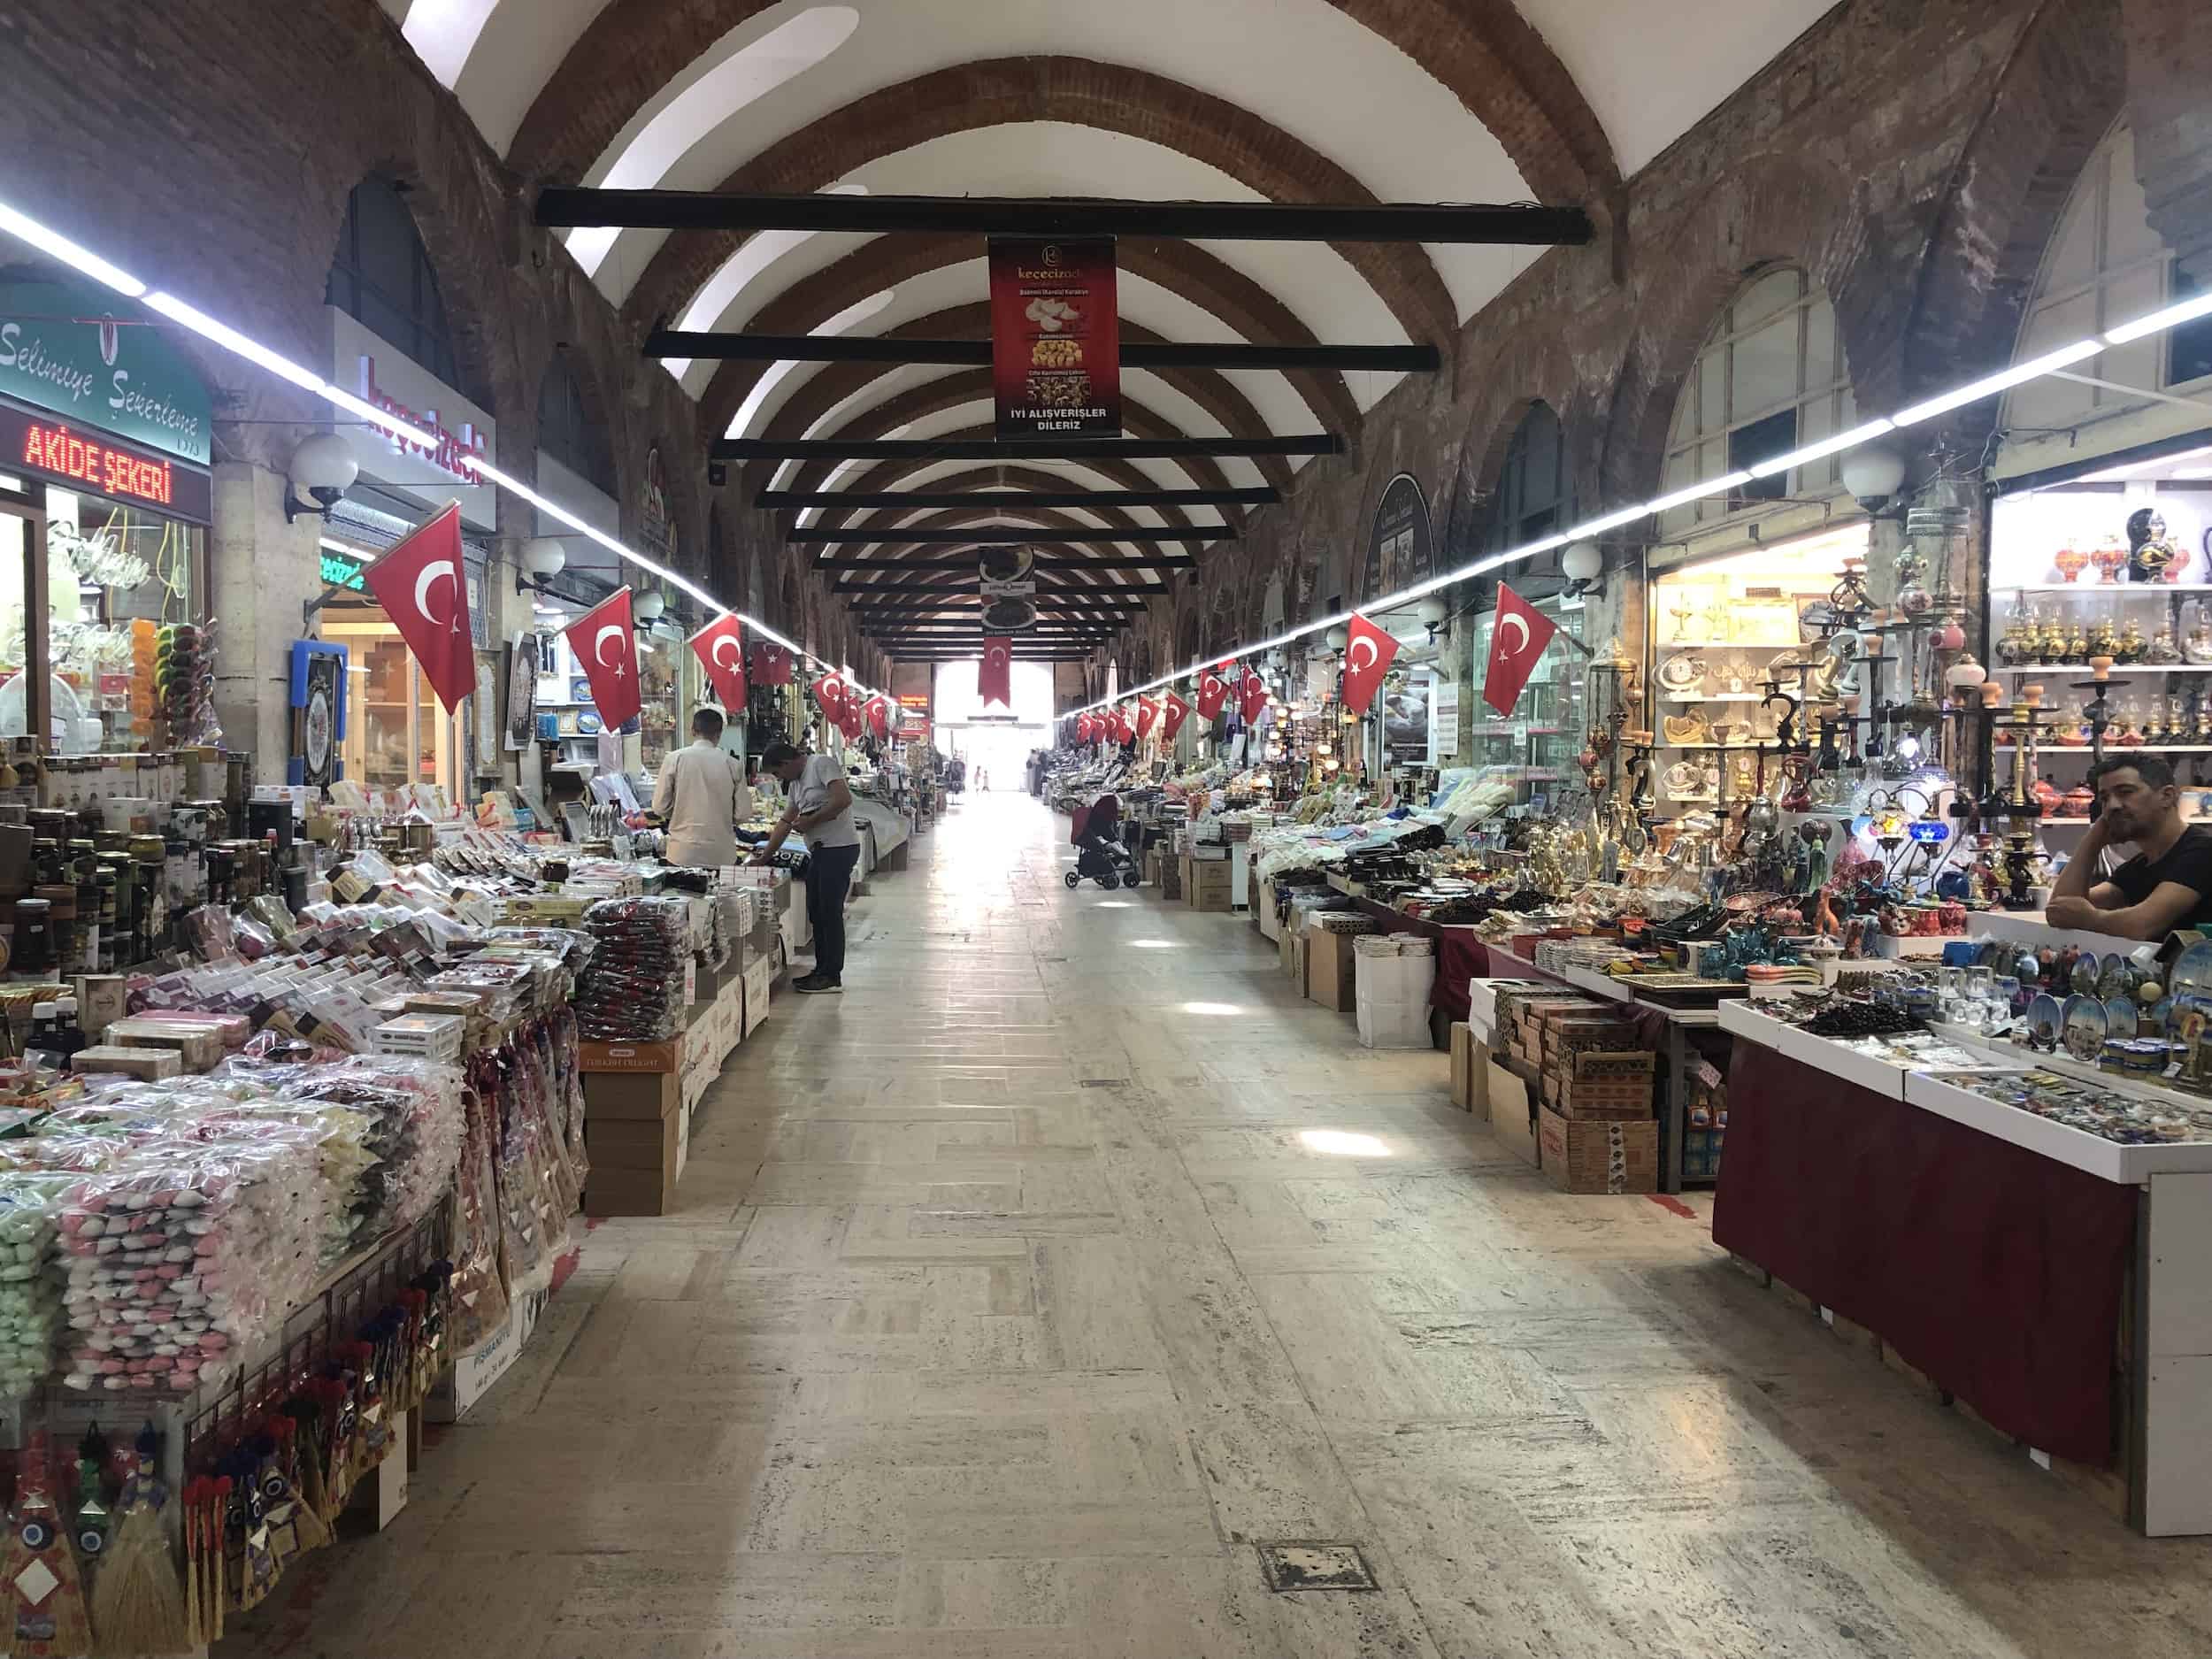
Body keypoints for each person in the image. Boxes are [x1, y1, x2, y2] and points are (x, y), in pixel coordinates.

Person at [2046, 757, 2212, 939]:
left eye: (2125, 792)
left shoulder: (2202, 851)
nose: (2112, 806)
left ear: (2167, 796)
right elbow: (2059, 909)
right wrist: (2093, 841)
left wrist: (2089, 918)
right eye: (2105, 799)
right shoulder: (2140, 865)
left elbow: (2141, 925)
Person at [753, 740, 862, 994]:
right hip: (820, 852)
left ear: (788, 762)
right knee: (817, 912)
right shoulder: (795, 785)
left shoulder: (820, 764)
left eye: (779, 773)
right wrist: (765, 856)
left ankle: (832, 975)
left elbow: (843, 799)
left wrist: (812, 821)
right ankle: (822, 969)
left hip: (838, 848)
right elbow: (785, 822)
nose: (780, 779)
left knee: (829, 913)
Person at [650, 708, 749, 866]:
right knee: (720, 892)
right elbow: (742, 814)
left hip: (681, 852)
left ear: (692, 730)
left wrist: (680, 814)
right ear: (719, 733)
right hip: (720, 854)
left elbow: (660, 807)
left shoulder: (674, 759)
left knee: (681, 892)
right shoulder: (733, 764)